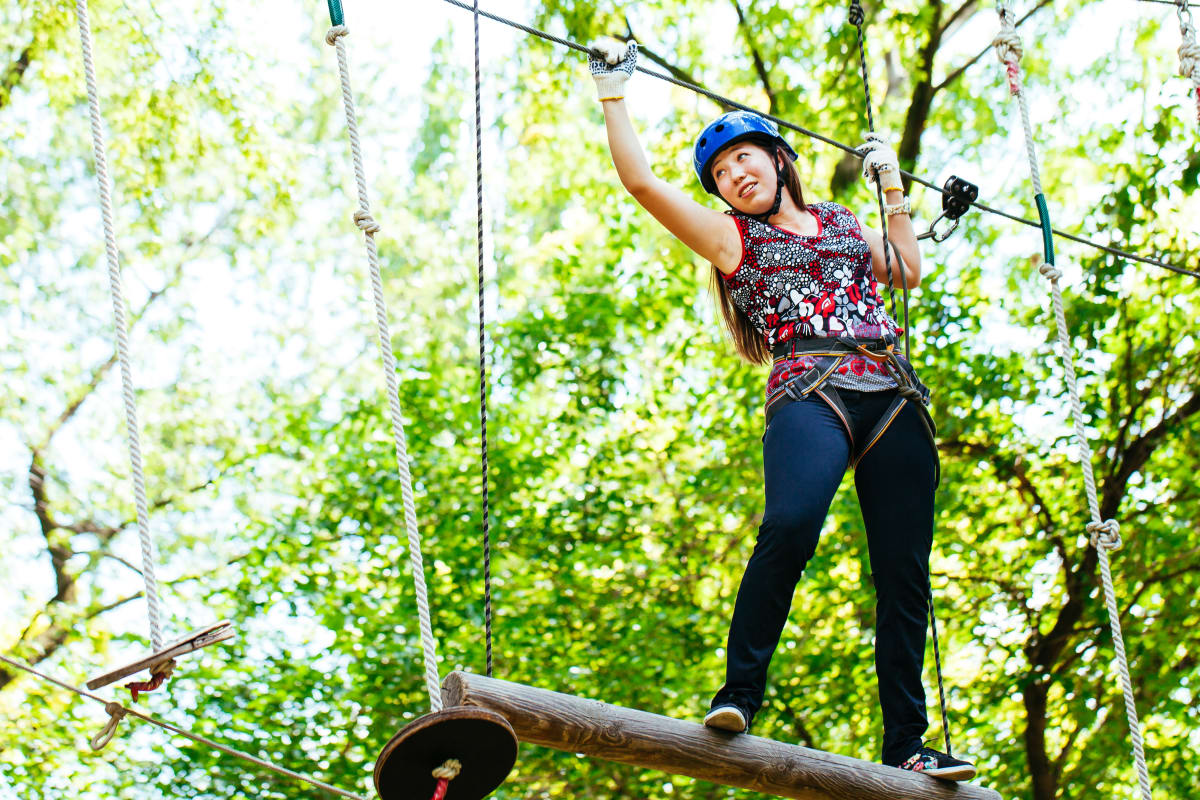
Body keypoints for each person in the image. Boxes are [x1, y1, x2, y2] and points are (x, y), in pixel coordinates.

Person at [587, 38, 976, 781]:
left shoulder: (837, 220)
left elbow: (906, 270)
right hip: (811, 390)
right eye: (722, 173)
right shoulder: (733, 239)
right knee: (792, 524)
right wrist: (613, 94)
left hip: (889, 391)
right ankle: (738, 694)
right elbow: (639, 183)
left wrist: (892, 190)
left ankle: (909, 745)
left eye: (745, 159)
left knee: (904, 572)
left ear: (778, 158)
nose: (736, 176)